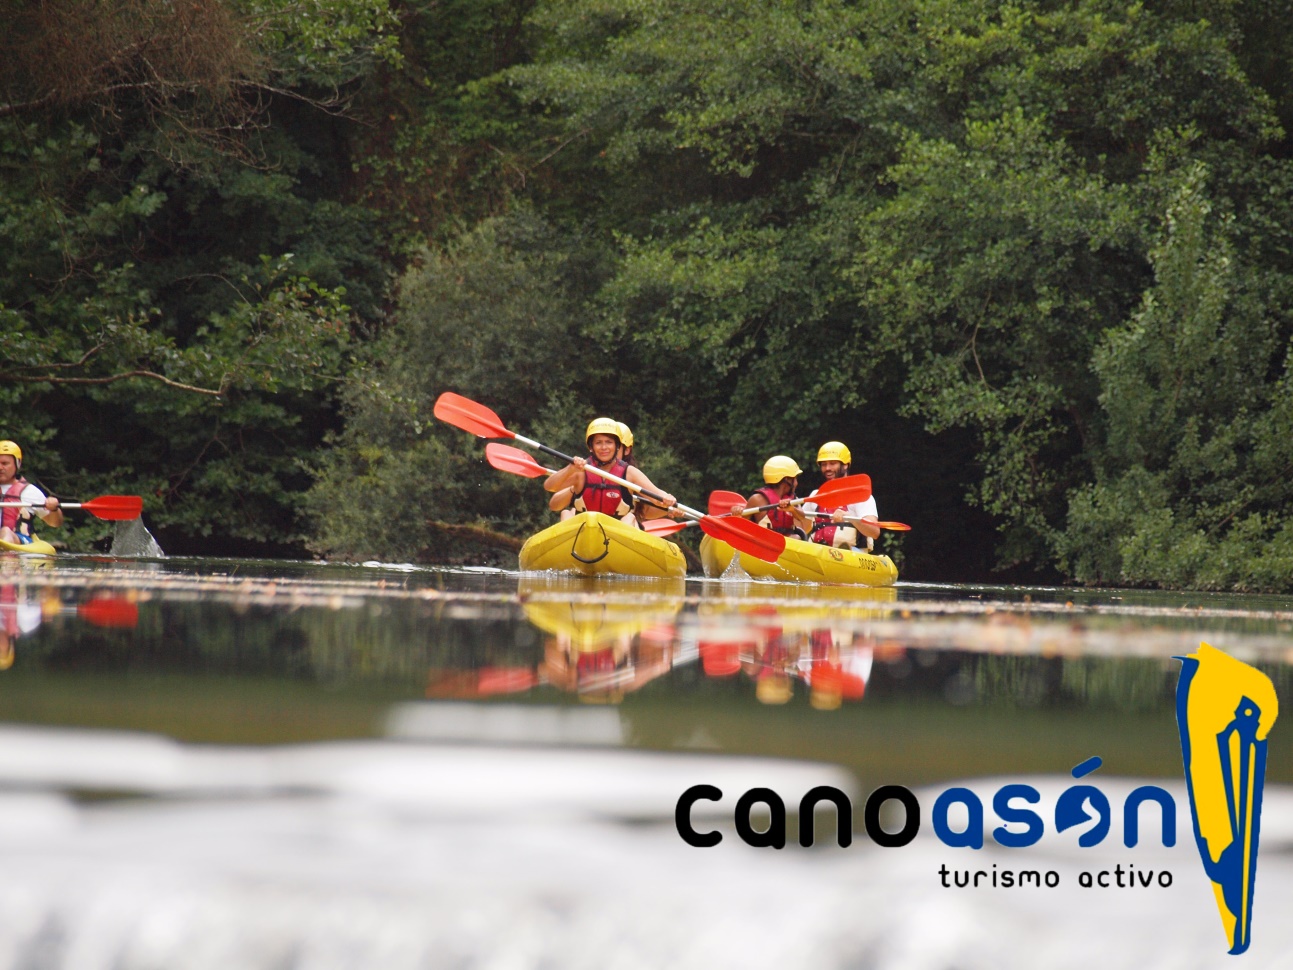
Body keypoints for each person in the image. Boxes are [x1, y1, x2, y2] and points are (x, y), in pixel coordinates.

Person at [544, 418, 675, 528]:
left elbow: (657, 495)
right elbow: (550, 486)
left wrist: (668, 498)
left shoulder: (629, 473)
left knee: (630, 517)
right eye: (598, 443)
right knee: (566, 514)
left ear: (617, 446)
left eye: (609, 442)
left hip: (616, 535)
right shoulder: (581, 471)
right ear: (591, 447)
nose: (604, 447)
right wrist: (569, 469)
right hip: (584, 533)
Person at [800, 441, 880, 550]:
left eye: (832, 463)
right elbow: (802, 528)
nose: (827, 468)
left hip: (853, 555)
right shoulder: (816, 496)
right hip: (819, 555)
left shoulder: (861, 496)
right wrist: (793, 511)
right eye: (824, 464)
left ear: (845, 465)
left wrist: (849, 517)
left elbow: (874, 532)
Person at [0, 441, 62, 547]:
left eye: (5, 463)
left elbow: (55, 523)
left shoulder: (30, 492)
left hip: (20, 539)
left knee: (6, 532)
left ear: (17, 464)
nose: (0, 467)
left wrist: (53, 509)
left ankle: (6, 561)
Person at [736, 456, 812, 539]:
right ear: (787, 479)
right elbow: (741, 526)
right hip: (765, 544)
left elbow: (801, 517)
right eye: (795, 479)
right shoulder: (757, 499)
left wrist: (792, 509)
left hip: (788, 545)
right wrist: (736, 515)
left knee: (796, 537)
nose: (796, 483)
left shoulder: (793, 499)